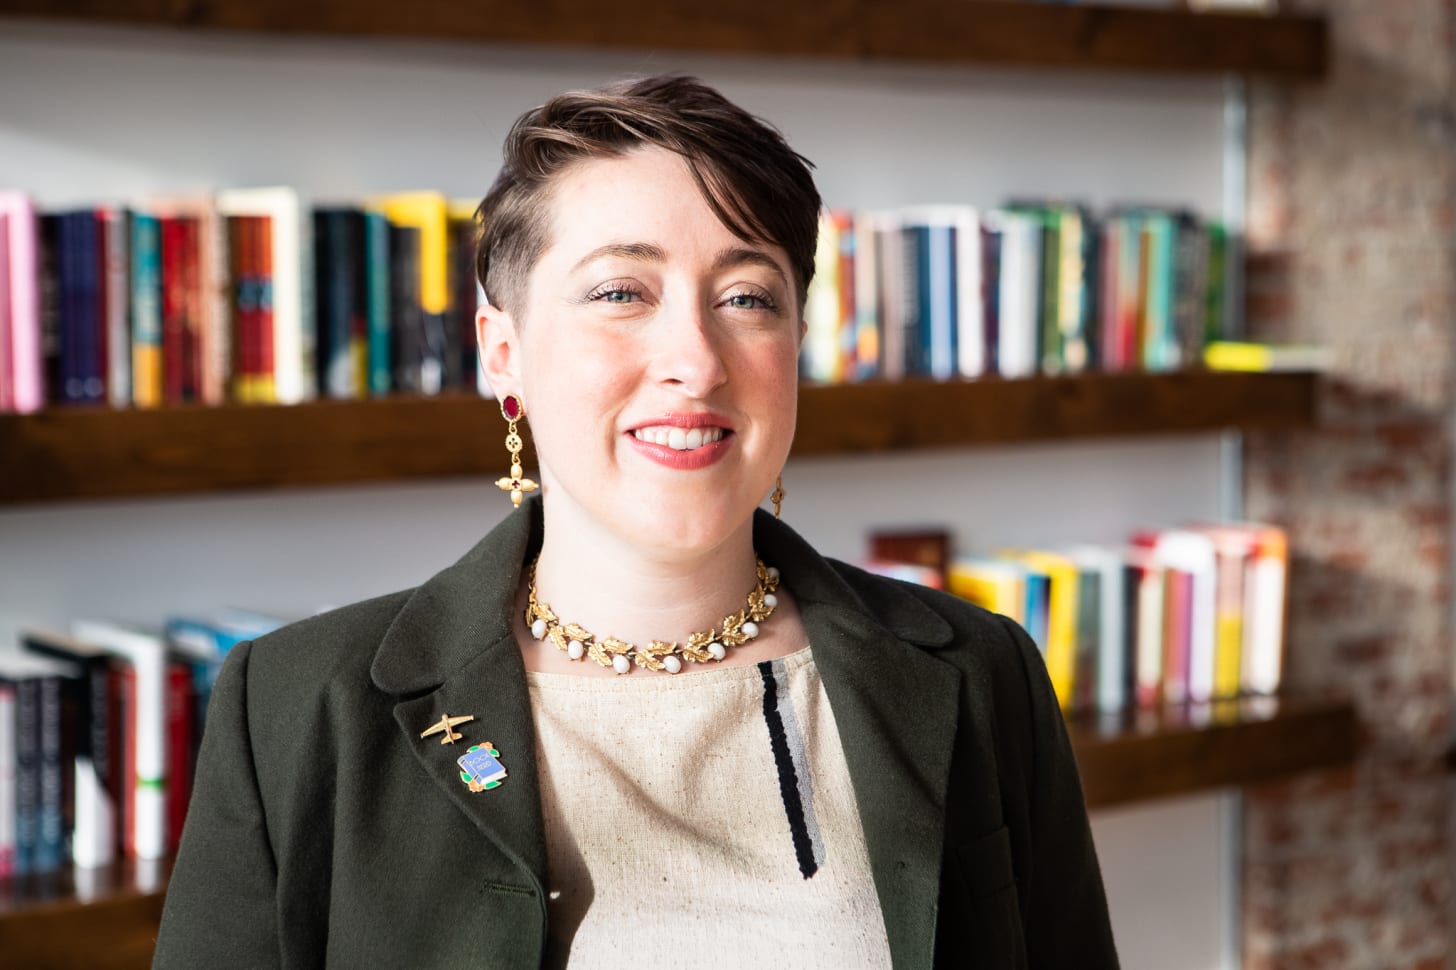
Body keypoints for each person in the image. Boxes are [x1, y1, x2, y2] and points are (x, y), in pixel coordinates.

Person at [153, 75, 1118, 969]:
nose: (695, 360)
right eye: (622, 292)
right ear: (503, 351)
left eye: (747, 298)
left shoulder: (979, 671)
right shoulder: (293, 706)